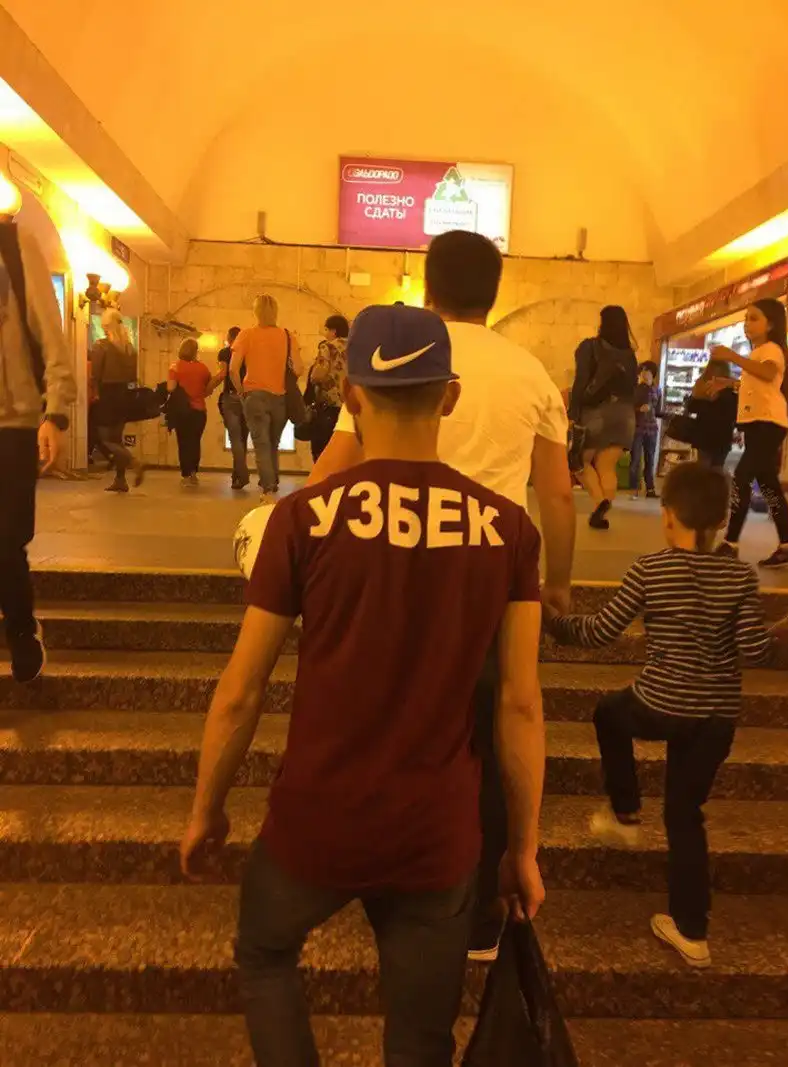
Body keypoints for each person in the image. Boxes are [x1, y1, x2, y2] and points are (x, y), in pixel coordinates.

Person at [180, 305, 546, 1067]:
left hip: (317, 822)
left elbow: (242, 689)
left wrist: (206, 808)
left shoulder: (302, 520)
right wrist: (523, 845)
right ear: (449, 397)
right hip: (435, 836)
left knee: (265, 950)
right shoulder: (509, 529)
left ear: (350, 396)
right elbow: (518, 702)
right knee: (420, 1038)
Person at [304, 230, 574, 960]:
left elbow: (331, 470)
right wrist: (556, 583)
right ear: (495, 291)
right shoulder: (530, 373)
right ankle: (480, 916)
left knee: (393, 727)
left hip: (392, 572)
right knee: (490, 731)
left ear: (427, 287)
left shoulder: (398, 358)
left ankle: (386, 891)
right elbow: (557, 493)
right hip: (492, 581)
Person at [545, 462, 771, 969]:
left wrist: (553, 622)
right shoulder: (740, 576)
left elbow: (600, 632)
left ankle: (625, 813)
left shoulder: (650, 569)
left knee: (609, 714)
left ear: (668, 517)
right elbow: (754, 649)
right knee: (684, 815)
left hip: (659, 703)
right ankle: (692, 932)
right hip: (715, 717)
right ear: (721, 520)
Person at [0, 216, 76, 683]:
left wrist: (56, 412)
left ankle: (22, 629)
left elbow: (50, 331)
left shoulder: (12, 243)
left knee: (6, 540)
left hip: (12, 419)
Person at [714, 299, 788, 568]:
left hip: (768, 424)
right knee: (768, 485)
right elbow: (757, 383)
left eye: (754, 318)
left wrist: (732, 357)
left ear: (770, 324)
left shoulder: (771, 349)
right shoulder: (758, 351)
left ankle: (730, 543)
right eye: (746, 318)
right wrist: (729, 383)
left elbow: (767, 373)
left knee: (741, 477)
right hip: (757, 424)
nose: (747, 324)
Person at [570, 306, 638, 529]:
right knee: (606, 466)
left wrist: (573, 413)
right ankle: (602, 510)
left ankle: (600, 502)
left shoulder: (590, 347)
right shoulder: (630, 355)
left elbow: (581, 381)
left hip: (597, 413)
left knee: (579, 462)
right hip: (625, 416)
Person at [231, 294, 296, 502]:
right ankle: (272, 482)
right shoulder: (287, 335)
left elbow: (233, 369)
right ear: (275, 311)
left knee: (261, 445)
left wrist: (241, 391)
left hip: (255, 396)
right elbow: (299, 368)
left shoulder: (246, 334)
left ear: (256, 311)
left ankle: (268, 489)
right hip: (280, 398)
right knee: (273, 443)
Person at [89, 309, 143, 493]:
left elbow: (95, 374)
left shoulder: (101, 346)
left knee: (103, 437)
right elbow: (132, 377)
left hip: (107, 394)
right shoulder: (129, 348)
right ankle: (120, 480)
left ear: (106, 326)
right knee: (116, 438)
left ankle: (133, 462)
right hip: (124, 395)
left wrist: (94, 392)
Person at [167, 337, 221, 487]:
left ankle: (185, 476)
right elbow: (209, 386)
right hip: (199, 412)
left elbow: (170, 388)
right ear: (195, 351)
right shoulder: (203, 368)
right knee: (195, 442)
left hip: (182, 411)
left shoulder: (175, 366)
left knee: (183, 442)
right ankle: (193, 474)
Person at [306, 314, 348, 461]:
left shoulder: (328, 347)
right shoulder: (355, 347)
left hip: (329, 404)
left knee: (322, 449)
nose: (325, 334)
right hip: (349, 405)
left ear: (333, 331)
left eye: (326, 330)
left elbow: (317, 375)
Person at [686, 358, 738, 470]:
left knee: (703, 470)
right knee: (717, 470)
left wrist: (704, 398)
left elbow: (691, 407)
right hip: (723, 436)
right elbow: (735, 413)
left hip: (704, 435)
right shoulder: (732, 388)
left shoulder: (702, 385)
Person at [218, 326, 250, 490]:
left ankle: (241, 475)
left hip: (231, 397)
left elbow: (223, 373)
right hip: (248, 397)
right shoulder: (249, 353)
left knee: (235, 438)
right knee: (243, 437)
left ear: (230, 338)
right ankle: (237, 476)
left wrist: (208, 387)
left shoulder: (225, 352)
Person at [628, 360, 662, 499]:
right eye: (642, 371)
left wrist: (672, 416)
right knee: (635, 460)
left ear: (652, 373)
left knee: (650, 460)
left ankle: (650, 489)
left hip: (652, 429)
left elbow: (658, 411)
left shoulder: (657, 390)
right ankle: (634, 490)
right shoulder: (635, 389)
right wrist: (639, 409)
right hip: (637, 429)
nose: (644, 373)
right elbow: (629, 409)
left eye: (646, 370)